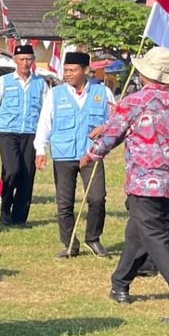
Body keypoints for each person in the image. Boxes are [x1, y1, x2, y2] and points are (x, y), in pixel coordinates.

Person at [83, 47, 169, 324]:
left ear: (144, 74)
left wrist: (91, 155)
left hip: (144, 183)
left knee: (155, 239)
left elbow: (111, 136)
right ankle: (120, 282)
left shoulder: (134, 102)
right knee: (138, 234)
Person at [34, 51, 113, 258]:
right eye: (66, 70)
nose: (67, 74)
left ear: (85, 70)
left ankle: (93, 239)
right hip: (63, 154)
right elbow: (45, 123)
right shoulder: (55, 94)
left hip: (92, 154)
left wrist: (105, 128)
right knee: (64, 203)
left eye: (72, 70)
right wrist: (40, 150)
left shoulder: (103, 92)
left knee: (97, 198)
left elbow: (117, 122)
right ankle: (70, 244)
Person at [0, 44, 46, 226]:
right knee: (12, 170)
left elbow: (46, 112)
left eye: (29, 59)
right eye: (22, 59)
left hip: (30, 132)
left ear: (33, 61)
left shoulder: (40, 84)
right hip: (7, 132)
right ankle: (5, 210)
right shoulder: (4, 81)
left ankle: (19, 217)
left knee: (27, 174)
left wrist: (44, 140)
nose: (25, 63)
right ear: (15, 60)